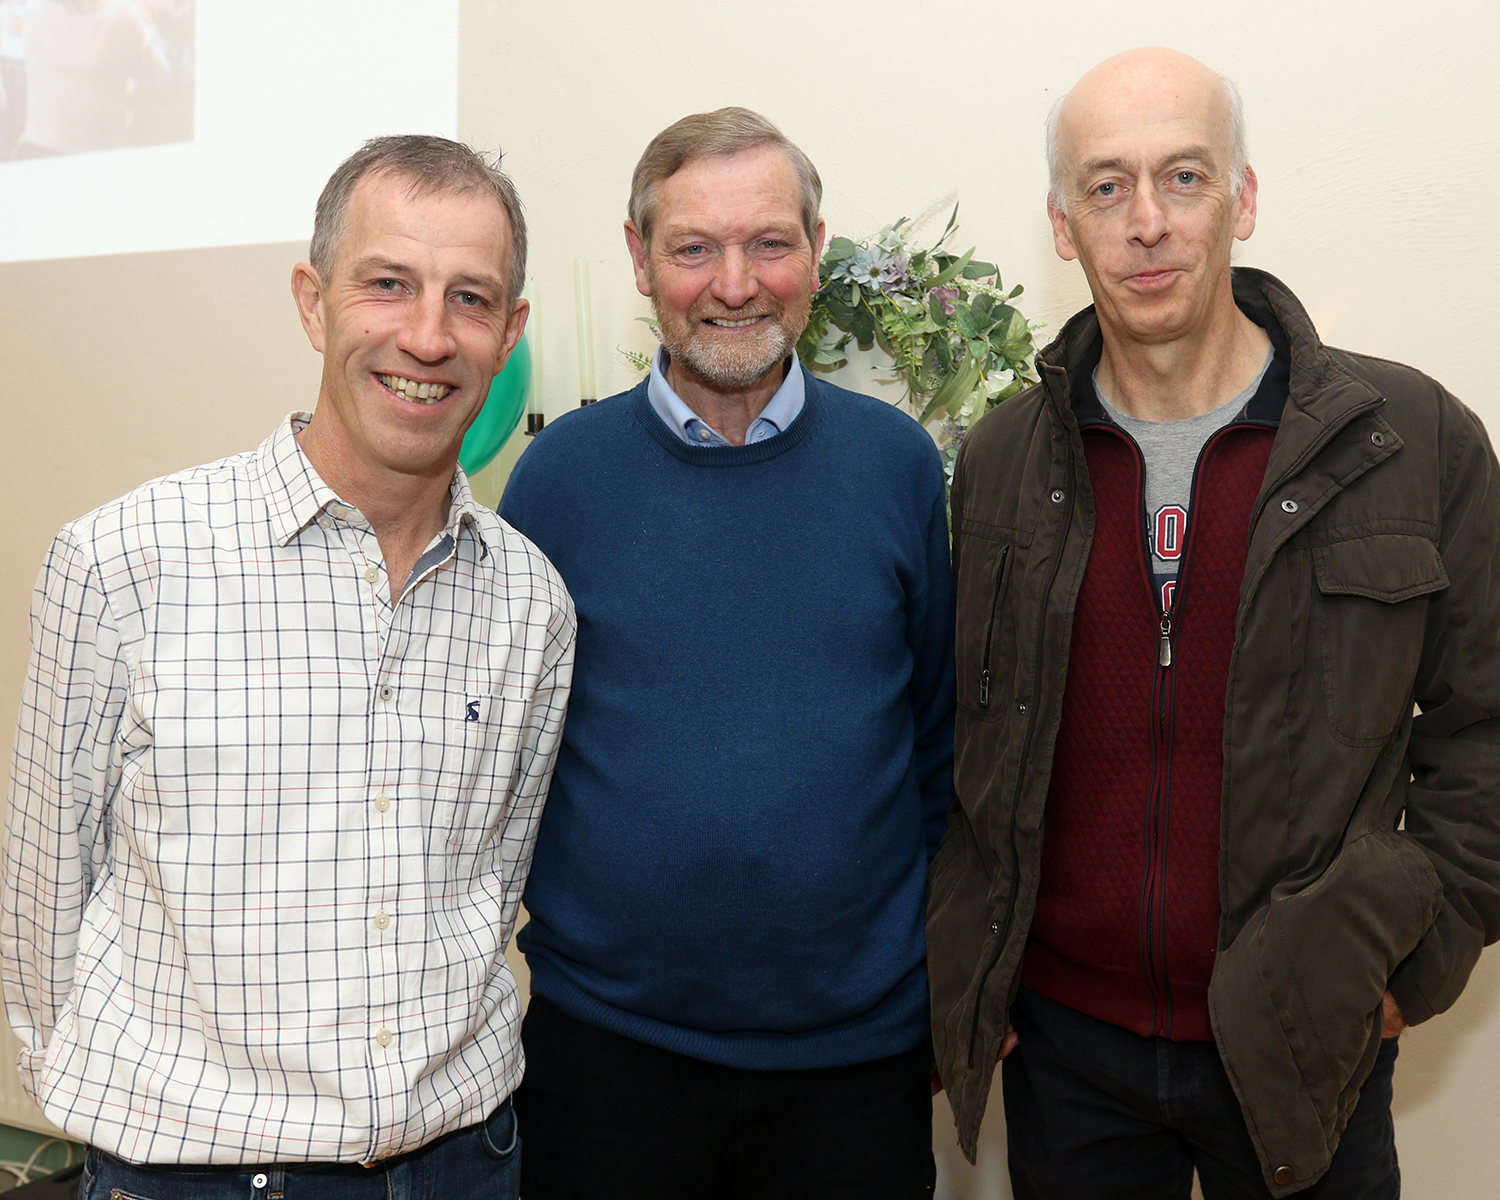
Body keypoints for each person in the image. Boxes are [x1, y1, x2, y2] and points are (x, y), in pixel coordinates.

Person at [928, 47, 1500, 1199]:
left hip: (1306, 1039)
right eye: (1106, 186)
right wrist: (972, 974)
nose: (1147, 221)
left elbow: (1486, 735)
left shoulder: (1411, 439)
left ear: (1241, 198)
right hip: (1068, 1051)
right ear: (1060, 223)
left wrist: (1412, 964)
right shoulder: (999, 463)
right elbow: (962, 748)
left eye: (1183, 178)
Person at [2, 134, 575, 1200]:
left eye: (470, 299)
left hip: (464, 1160)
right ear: (314, 303)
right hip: (196, 1172)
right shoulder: (123, 562)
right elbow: (43, 898)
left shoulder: (532, 600)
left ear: (509, 336)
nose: (427, 334)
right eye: (387, 285)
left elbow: (494, 883)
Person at [499, 107, 954, 1199]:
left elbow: (939, 742)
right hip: (608, 1061)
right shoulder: (557, 480)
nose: (735, 283)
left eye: (769, 243)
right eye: (694, 247)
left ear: (815, 248)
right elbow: (506, 762)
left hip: (859, 1063)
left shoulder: (897, 466)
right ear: (640, 260)